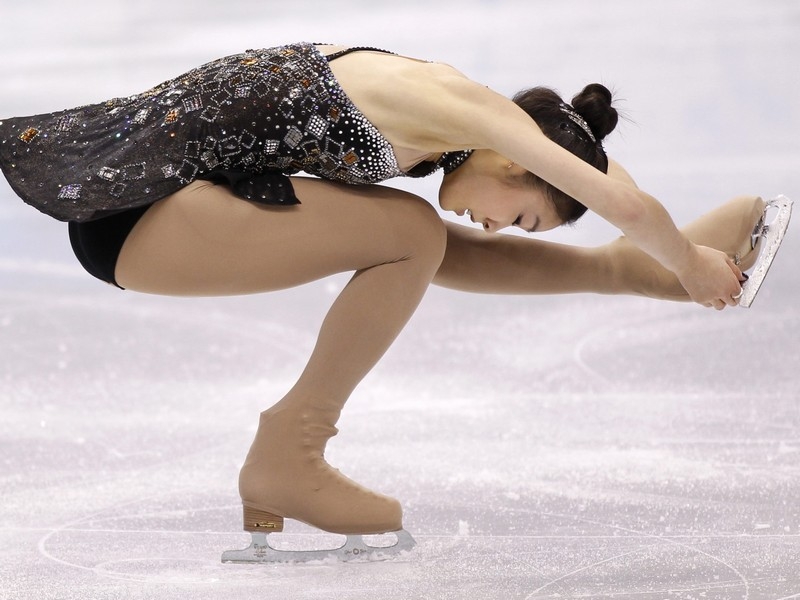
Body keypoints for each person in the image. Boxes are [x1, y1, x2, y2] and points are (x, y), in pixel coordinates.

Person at [0, 42, 786, 561]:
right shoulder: (473, 116)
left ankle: (620, 273)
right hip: (138, 216)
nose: (492, 221)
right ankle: (288, 454)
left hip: (165, 207)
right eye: (520, 217)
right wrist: (689, 266)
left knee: (422, 239)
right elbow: (631, 208)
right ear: (515, 168)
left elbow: (608, 186)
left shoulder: (475, 123)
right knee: (414, 231)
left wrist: (666, 254)